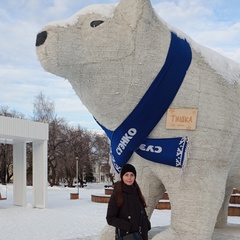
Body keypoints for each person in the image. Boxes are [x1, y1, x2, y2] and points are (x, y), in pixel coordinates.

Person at [106, 164, 151, 240]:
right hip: (126, 236)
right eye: (126, 175)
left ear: (135, 177)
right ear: (122, 177)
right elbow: (110, 218)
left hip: (141, 236)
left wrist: (146, 224)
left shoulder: (137, 192)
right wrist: (128, 226)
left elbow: (142, 212)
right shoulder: (117, 194)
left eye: (132, 175)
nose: (129, 178)